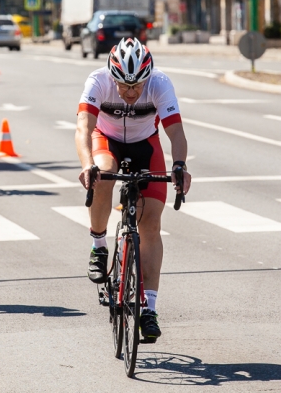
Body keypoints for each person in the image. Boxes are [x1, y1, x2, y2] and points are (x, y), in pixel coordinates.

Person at [75, 38, 192, 342]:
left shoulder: (160, 83)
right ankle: (98, 245)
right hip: (107, 140)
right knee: (104, 173)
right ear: (112, 77)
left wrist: (179, 165)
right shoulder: (97, 81)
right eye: (124, 87)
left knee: (151, 223)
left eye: (137, 87)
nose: (130, 93)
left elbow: (176, 131)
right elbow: (84, 128)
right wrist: (88, 164)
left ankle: (149, 309)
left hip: (145, 145)